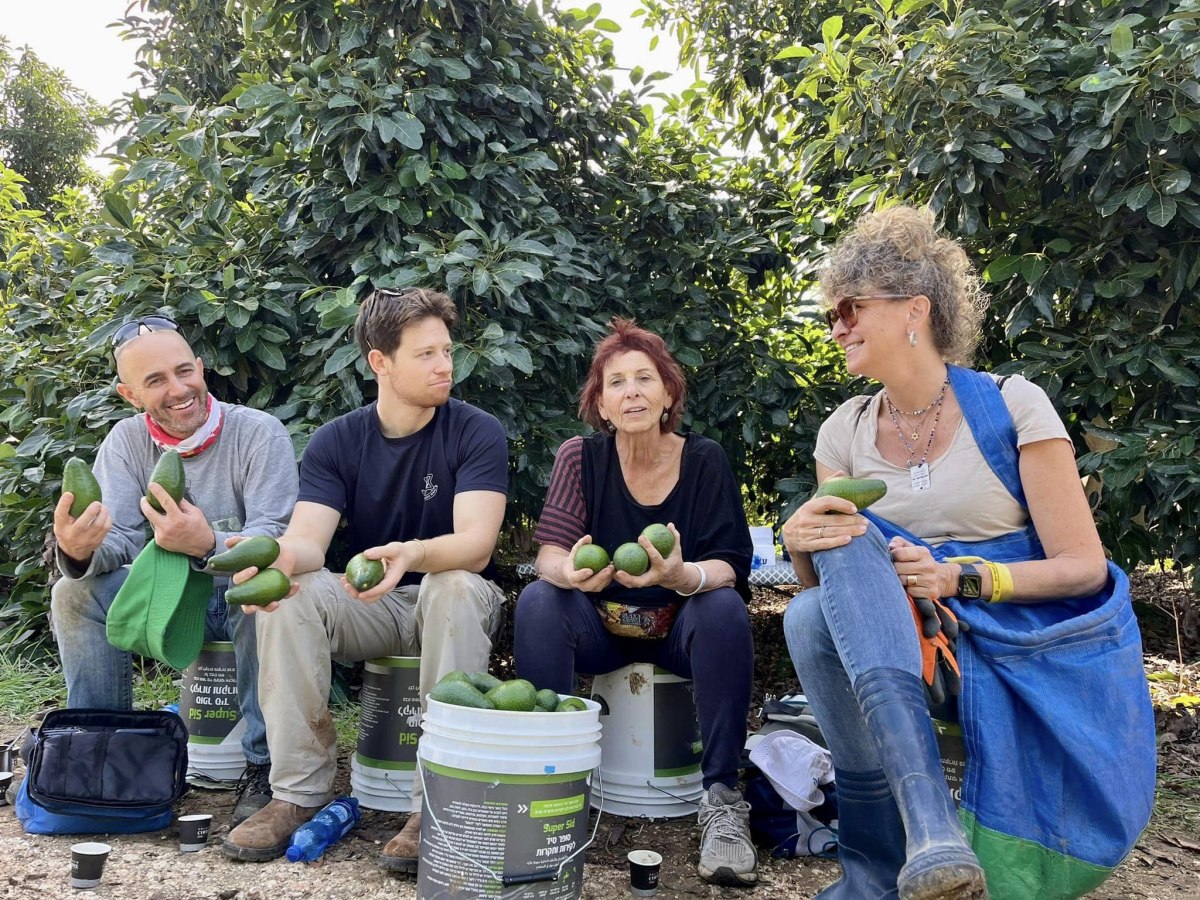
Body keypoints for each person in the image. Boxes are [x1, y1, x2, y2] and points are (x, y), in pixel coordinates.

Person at [781, 206, 1155, 899]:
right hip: (913, 645)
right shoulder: (844, 431)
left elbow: (1084, 566)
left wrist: (961, 576)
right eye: (833, 312)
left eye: (852, 306)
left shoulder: (1014, 406)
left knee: (829, 586)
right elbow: (832, 578)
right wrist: (801, 542)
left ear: (915, 309)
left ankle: (910, 847)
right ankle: (903, 848)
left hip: (1013, 647)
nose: (837, 325)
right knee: (810, 604)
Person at [222, 288, 508, 868]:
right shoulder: (336, 441)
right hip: (373, 603)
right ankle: (296, 796)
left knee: (451, 584)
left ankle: (437, 804)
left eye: (447, 350)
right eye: (426, 354)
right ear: (380, 361)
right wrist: (275, 558)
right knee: (293, 596)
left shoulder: (476, 431)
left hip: (455, 600)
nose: (445, 365)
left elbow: (476, 548)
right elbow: (308, 542)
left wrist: (414, 554)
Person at [514, 318, 758, 887]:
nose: (632, 393)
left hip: (680, 630)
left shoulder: (704, 461)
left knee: (722, 607)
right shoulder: (581, 457)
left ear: (668, 393)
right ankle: (548, 788)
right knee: (537, 602)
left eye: (644, 378)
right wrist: (571, 575)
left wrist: (683, 575)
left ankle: (722, 801)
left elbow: (731, 563)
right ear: (601, 404)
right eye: (616, 382)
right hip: (599, 630)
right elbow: (550, 554)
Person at [51, 317, 298, 827]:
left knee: (261, 591)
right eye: (156, 380)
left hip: (238, 597)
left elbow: (275, 537)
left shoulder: (258, 432)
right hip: (169, 596)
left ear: (202, 369)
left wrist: (206, 543)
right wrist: (78, 549)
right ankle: (103, 755)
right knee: (71, 593)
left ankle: (263, 764)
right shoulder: (125, 442)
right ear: (129, 393)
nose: (178, 389)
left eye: (184, 371)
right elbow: (115, 541)